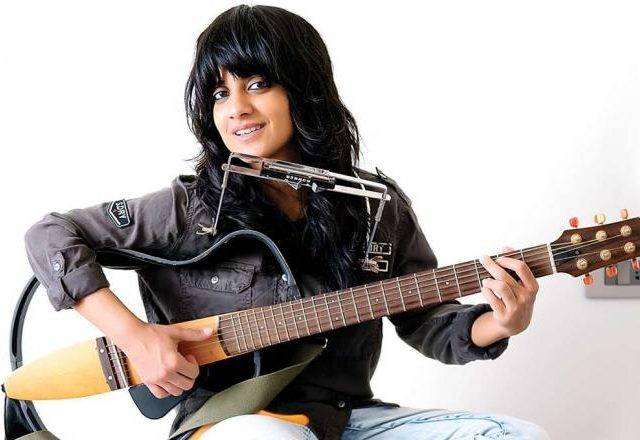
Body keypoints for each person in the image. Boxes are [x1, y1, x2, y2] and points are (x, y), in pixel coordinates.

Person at [23, 4, 550, 440]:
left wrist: (501, 322)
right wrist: (137, 337)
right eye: (220, 93)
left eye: (257, 84)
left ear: (304, 88)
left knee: (516, 436)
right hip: (231, 423)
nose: (236, 108)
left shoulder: (375, 206)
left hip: (342, 418)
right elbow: (52, 234)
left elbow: (426, 318)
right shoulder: (191, 209)